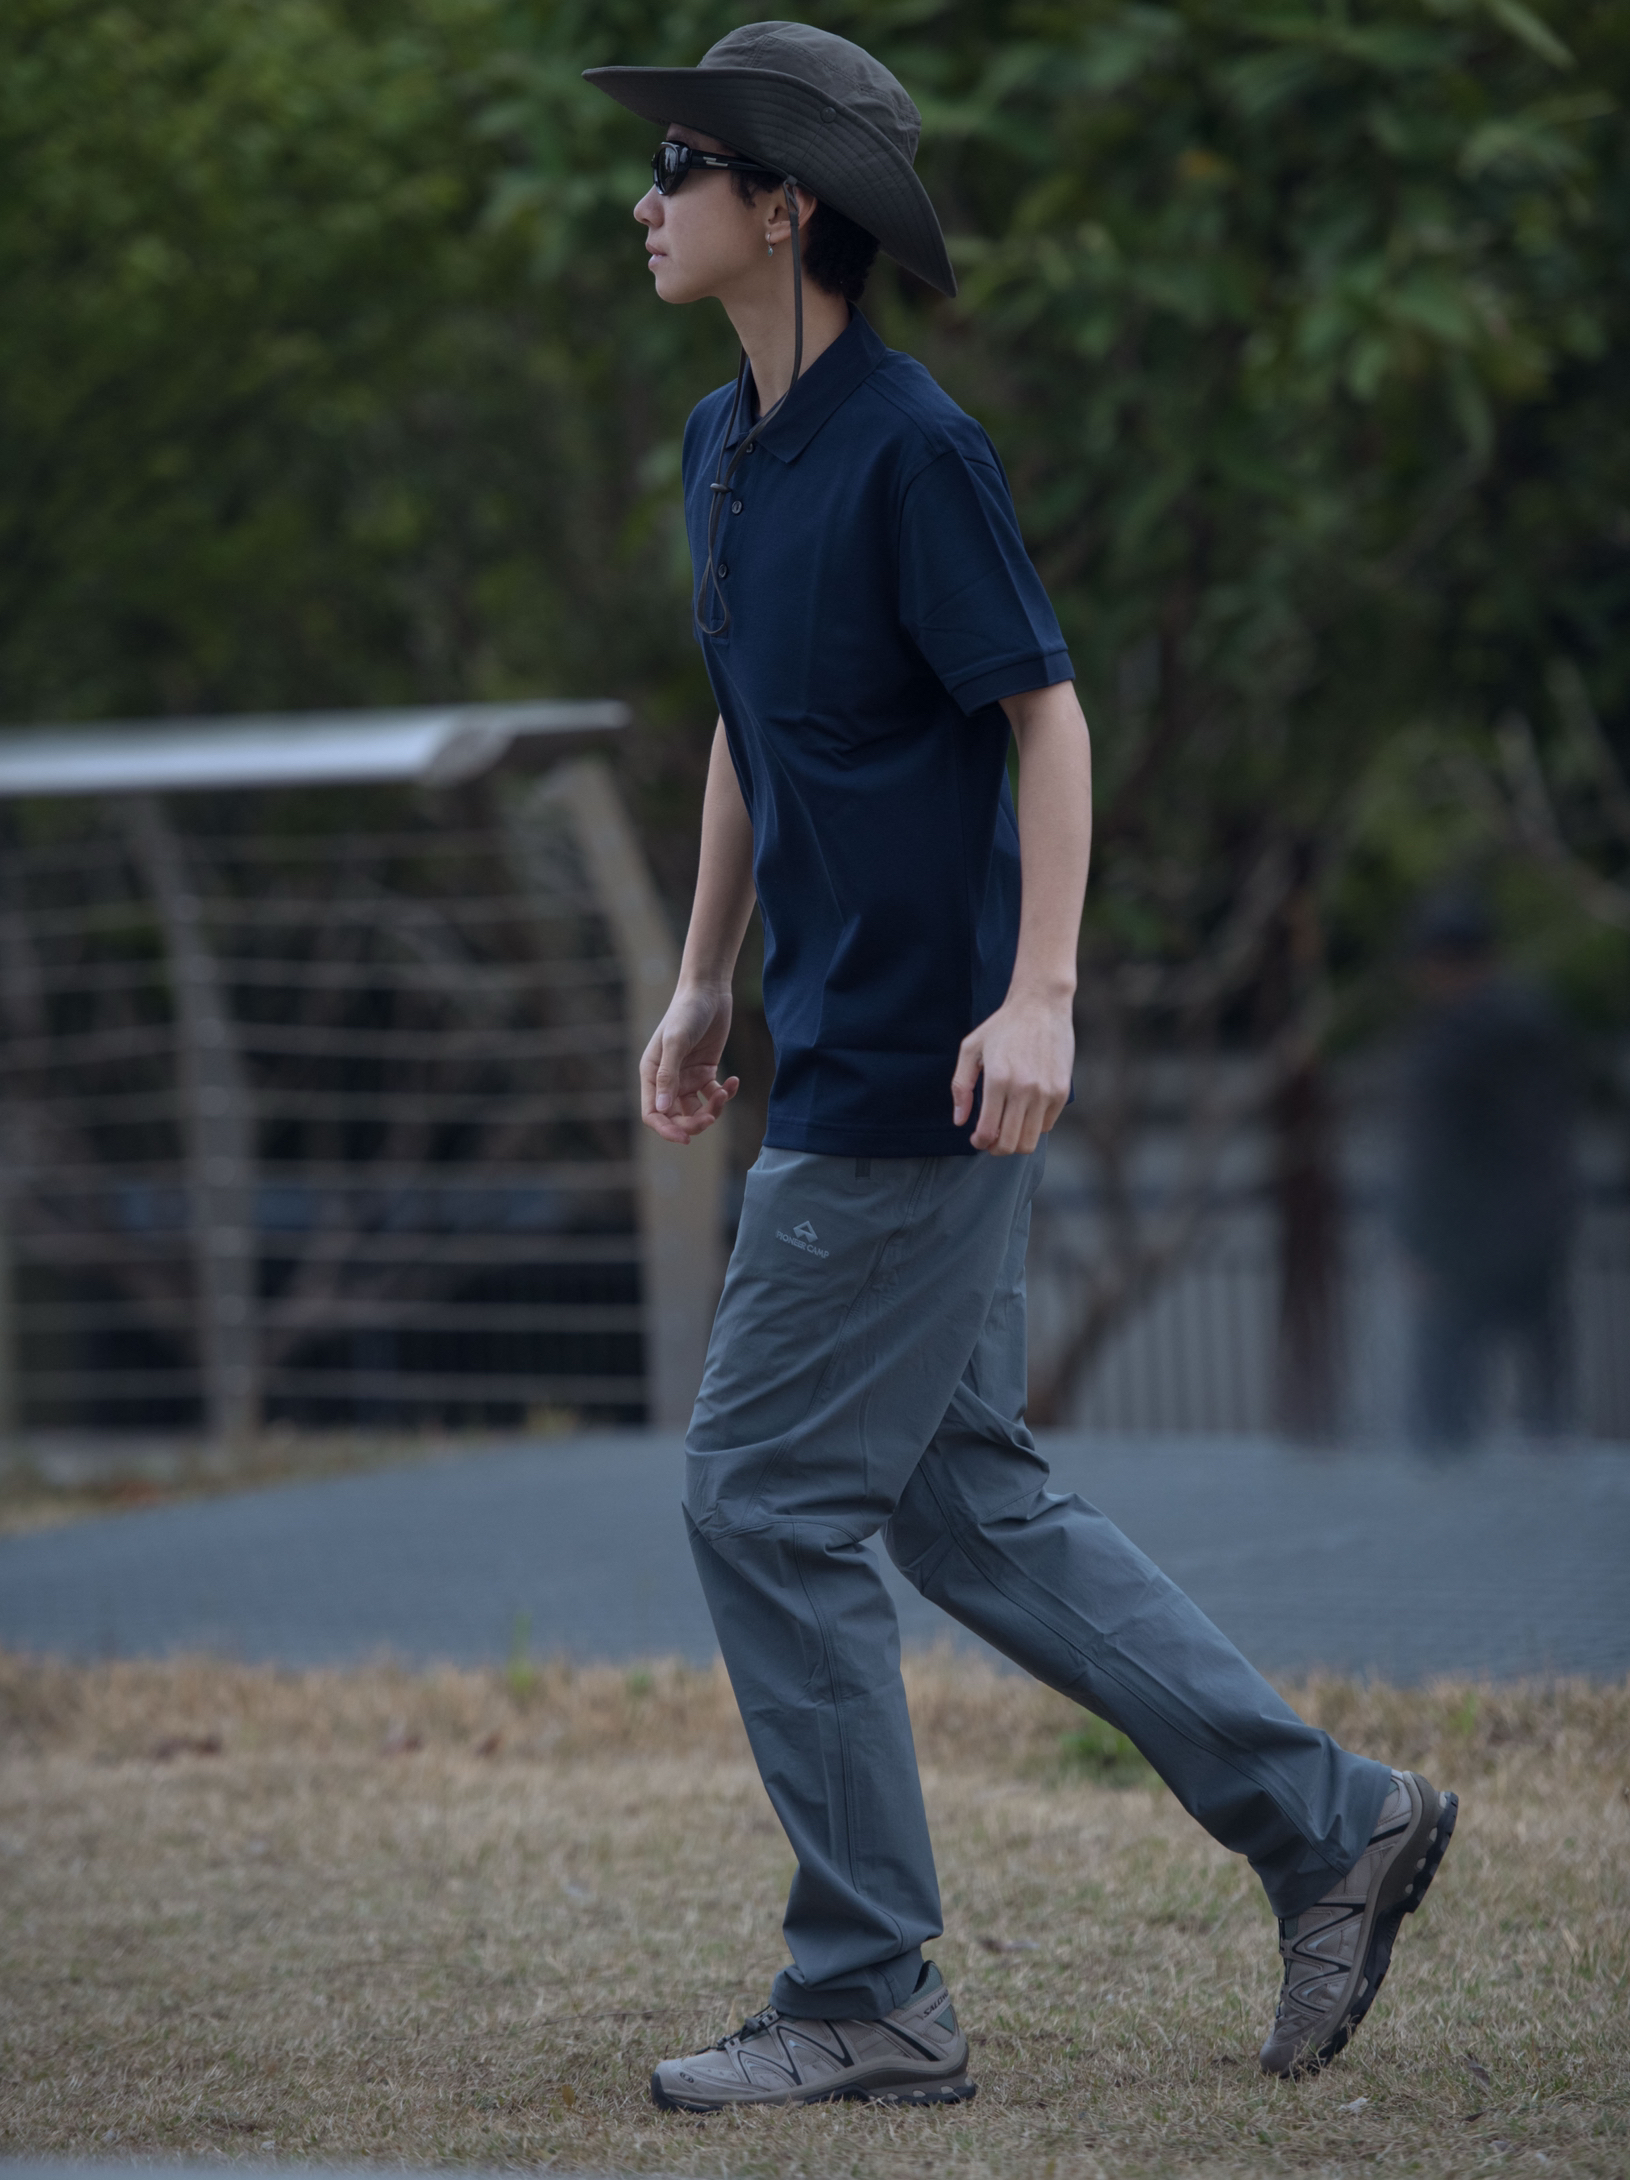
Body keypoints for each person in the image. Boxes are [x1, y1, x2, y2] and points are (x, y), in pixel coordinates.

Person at [584, 21, 1457, 2111]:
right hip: (834, 1043)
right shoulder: (725, 450)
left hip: (928, 1066)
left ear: (787, 203)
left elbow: (1042, 715)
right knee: (958, 1504)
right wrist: (702, 978)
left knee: (757, 1497)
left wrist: (1041, 992)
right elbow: (748, 731)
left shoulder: (911, 448)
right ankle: (1330, 1819)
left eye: (682, 162)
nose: (643, 198)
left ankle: (866, 1992)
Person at [1398, 887, 1576, 1451]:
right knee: (1545, 1407)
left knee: (1444, 1420)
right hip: (1536, 1233)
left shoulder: (1454, 1038)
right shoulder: (1534, 1023)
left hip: (1464, 1245)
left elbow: (1436, 1154)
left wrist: (1421, 1244)